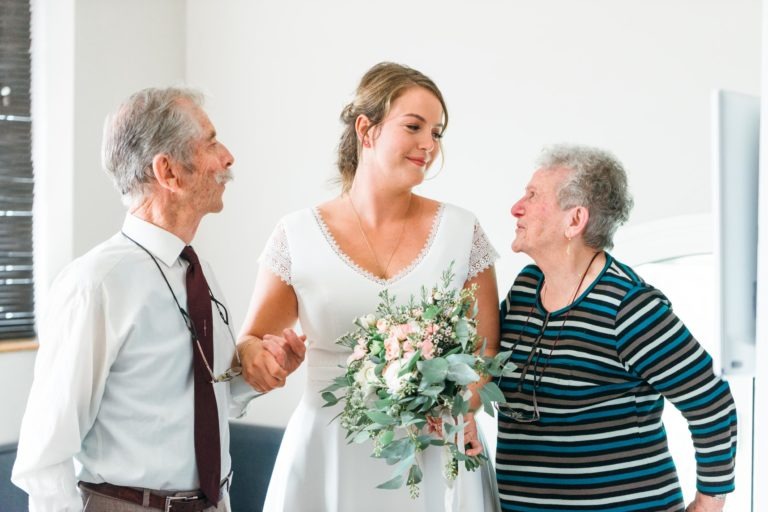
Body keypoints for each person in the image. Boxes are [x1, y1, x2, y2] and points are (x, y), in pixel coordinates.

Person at [11, 87, 305, 512]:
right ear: (168, 171)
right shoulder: (95, 284)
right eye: (210, 142)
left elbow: (196, 397)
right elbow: (45, 458)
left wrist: (257, 374)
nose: (227, 157)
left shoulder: (196, 272)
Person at [237, 62, 501, 511]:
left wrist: (456, 408)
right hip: (328, 452)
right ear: (367, 128)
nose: (428, 145)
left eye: (436, 133)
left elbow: (485, 353)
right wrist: (261, 357)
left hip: (434, 456)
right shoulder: (296, 234)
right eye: (414, 126)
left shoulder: (462, 230)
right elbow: (252, 341)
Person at [496, 144, 738, 512]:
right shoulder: (526, 288)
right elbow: (478, 369)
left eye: (532, 196)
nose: (516, 207)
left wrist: (710, 501)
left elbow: (712, 404)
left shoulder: (628, 308)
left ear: (574, 220)